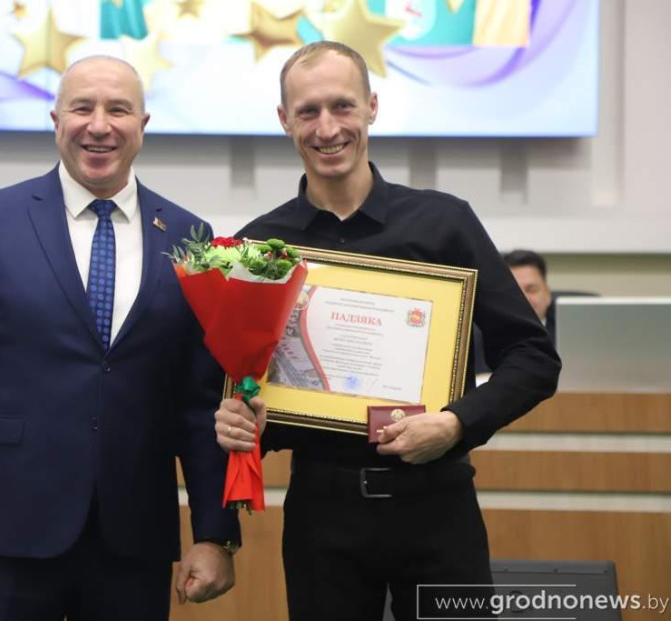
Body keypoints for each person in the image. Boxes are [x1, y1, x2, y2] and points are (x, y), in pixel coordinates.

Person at [215, 42, 561, 621]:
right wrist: (242, 419)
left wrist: (456, 424)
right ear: (284, 120)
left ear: (372, 107)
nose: (328, 128)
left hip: (437, 506)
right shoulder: (260, 247)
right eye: (308, 111)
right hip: (322, 517)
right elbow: (248, 388)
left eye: (342, 106)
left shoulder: (444, 223)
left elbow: (533, 357)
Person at [0, 56, 239, 621]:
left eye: (119, 110)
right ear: (56, 120)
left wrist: (215, 533)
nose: (99, 125)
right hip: (3, 538)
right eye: (82, 108)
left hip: (134, 541)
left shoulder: (190, 236)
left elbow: (198, 402)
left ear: (143, 124)